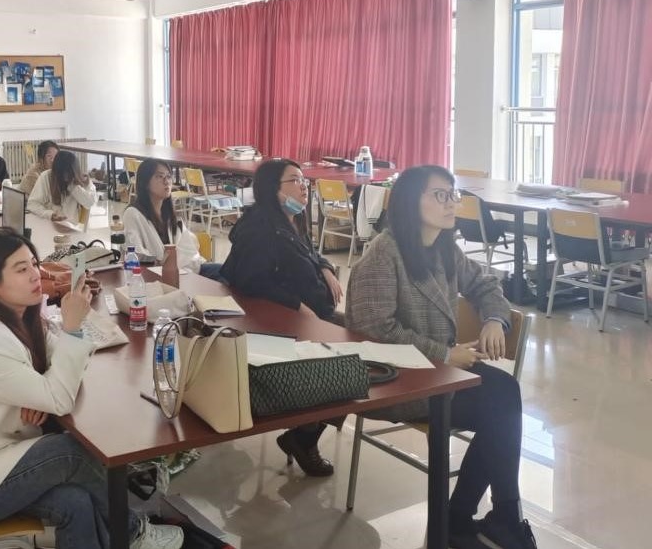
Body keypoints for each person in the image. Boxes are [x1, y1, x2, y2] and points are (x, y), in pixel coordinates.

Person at [0, 228, 183, 549]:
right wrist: (71, 332)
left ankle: (122, 536)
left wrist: (40, 388)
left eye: (34, 264)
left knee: (74, 503)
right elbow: (60, 396)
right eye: (21, 269)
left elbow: (67, 368)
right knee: (71, 452)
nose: (36, 275)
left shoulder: (19, 320)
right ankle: (133, 534)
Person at [345, 165, 536, 549]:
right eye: (440, 195)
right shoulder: (384, 254)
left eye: (454, 195)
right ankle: (476, 518)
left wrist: (495, 319)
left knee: (502, 398)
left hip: (439, 374)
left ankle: (486, 516)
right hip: (394, 380)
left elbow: (486, 284)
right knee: (501, 405)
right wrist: (444, 353)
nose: (452, 204)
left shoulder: (444, 247)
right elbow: (374, 331)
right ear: (409, 201)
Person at [219, 159, 345, 477]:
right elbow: (251, 281)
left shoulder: (290, 219)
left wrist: (325, 268)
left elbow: (308, 253)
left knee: (356, 348)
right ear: (273, 189)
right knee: (344, 362)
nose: (304, 187)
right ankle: (305, 436)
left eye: (305, 181)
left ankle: (304, 432)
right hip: (281, 321)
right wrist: (298, 307)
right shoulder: (260, 228)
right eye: (295, 181)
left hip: (313, 314)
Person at [122, 159, 204, 272]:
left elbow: (188, 252)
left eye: (169, 176)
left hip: (185, 271)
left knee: (223, 272)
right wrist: (161, 262)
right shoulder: (133, 213)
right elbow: (135, 253)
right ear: (145, 183)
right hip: (156, 274)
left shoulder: (169, 214)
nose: (166, 182)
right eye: (160, 176)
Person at [28, 150, 97, 224]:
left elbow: (89, 203)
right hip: (49, 224)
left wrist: (73, 186)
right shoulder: (46, 177)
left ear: (74, 171)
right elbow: (32, 204)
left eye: (68, 173)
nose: (65, 178)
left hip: (71, 226)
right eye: (62, 174)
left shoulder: (82, 179)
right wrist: (50, 214)